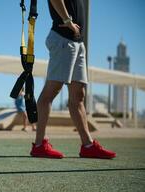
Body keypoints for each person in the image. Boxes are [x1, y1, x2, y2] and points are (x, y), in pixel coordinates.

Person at [30, 0, 116, 159]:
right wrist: (68, 21)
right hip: (63, 39)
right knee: (51, 91)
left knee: (78, 96)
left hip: (77, 42)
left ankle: (88, 145)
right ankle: (39, 145)